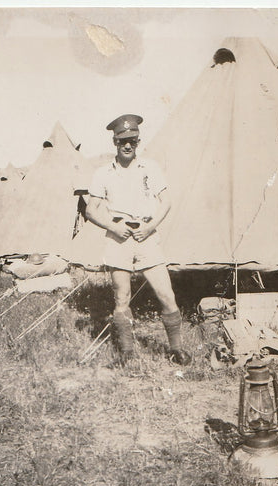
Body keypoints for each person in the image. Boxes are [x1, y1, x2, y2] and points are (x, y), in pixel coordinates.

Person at [86, 114, 190, 366]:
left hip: (146, 235)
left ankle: (176, 349)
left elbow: (166, 201)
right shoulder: (103, 173)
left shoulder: (150, 168)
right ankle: (127, 352)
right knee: (122, 297)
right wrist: (113, 226)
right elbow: (91, 210)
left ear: (138, 141)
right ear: (115, 142)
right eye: (123, 141)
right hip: (118, 237)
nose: (128, 145)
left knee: (166, 294)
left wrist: (150, 226)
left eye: (132, 140)